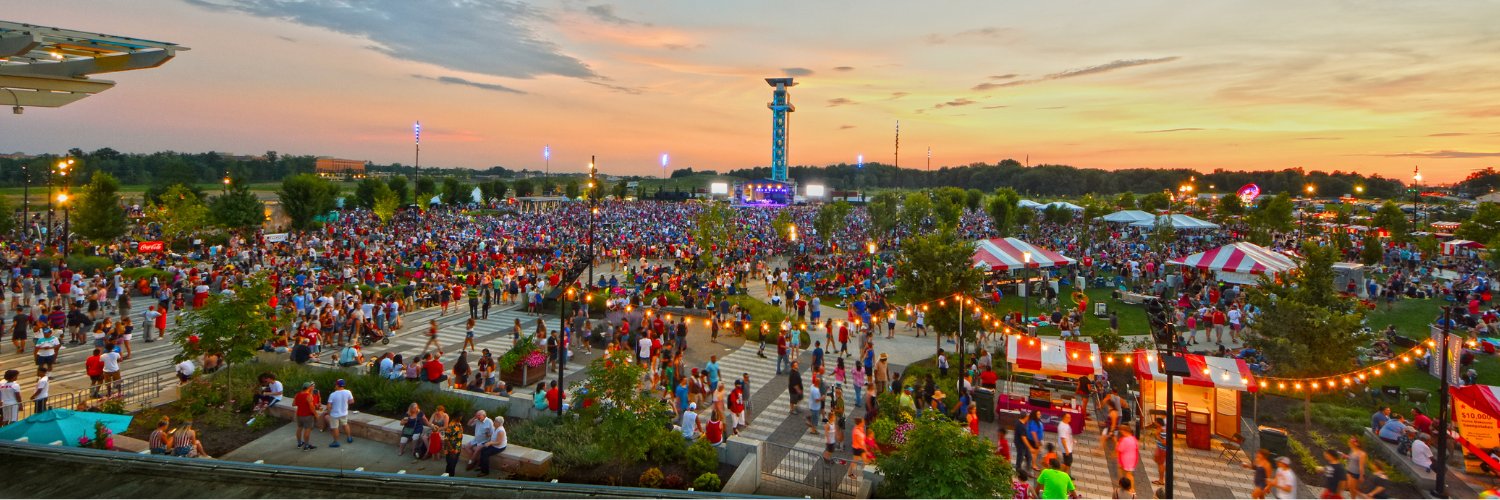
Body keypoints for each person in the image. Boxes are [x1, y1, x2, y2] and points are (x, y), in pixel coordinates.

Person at [326, 379, 354, 448]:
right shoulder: (348, 392)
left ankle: (336, 442)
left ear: (337, 385)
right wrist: (345, 403)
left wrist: (329, 413)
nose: (335, 386)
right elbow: (352, 401)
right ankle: (349, 438)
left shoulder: (333, 394)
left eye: (335, 384)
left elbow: (329, 405)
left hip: (334, 414)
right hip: (344, 413)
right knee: (345, 424)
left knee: (335, 428)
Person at [293, 381, 318, 450]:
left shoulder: (297, 394)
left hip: (299, 415)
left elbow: (294, 404)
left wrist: (301, 403)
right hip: (307, 416)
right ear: (309, 387)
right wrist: (316, 415)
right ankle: (306, 446)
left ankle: (299, 443)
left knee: (299, 428)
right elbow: (312, 407)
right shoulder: (309, 396)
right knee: (307, 430)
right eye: (311, 387)